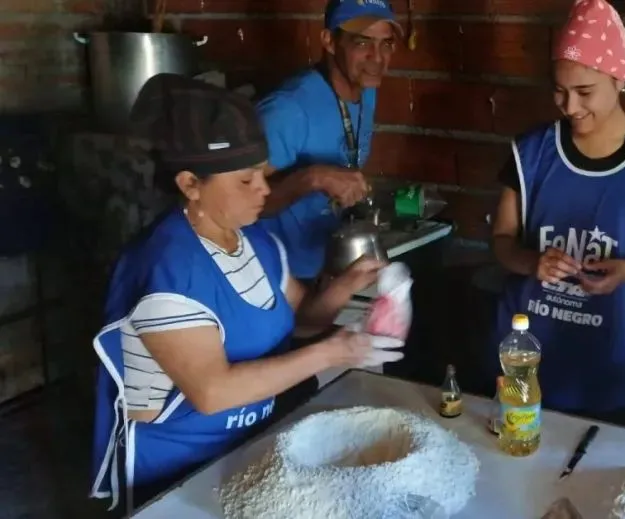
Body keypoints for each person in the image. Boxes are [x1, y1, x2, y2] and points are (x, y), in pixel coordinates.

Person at [88, 74, 404, 513]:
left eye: (262, 173)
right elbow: (212, 393)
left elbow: (303, 319)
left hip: (248, 445)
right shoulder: (169, 268)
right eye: (246, 180)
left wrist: (351, 281)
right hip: (176, 473)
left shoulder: (253, 241)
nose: (265, 190)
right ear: (189, 184)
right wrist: (332, 353)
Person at [490, 0, 625, 425]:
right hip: (527, 356)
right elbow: (501, 242)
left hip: (611, 364)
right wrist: (532, 262)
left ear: (619, 79)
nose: (569, 106)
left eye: (584, 92)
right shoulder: (529, 153)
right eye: (559, 91)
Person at [257, 0, 401, 282]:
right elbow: (229, 205)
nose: (377, 57)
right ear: (329, 41)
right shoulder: (288, 109)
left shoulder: (364, 86)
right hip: (278, 277)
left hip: (325, 267)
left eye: (386, 44)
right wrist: (313, 178)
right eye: (362, 43)